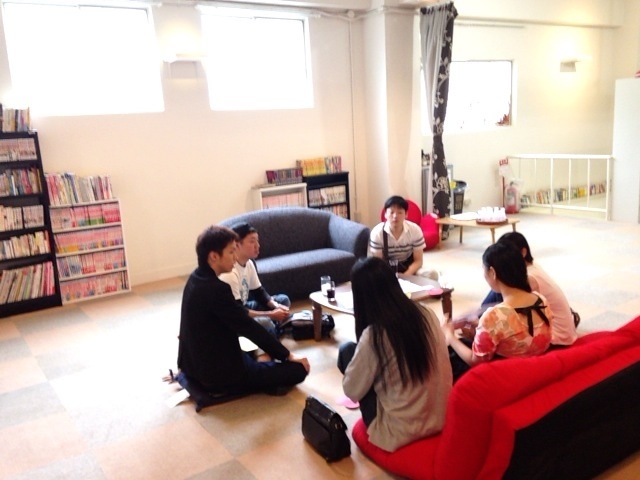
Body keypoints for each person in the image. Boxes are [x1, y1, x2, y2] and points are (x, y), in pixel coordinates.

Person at [177, 225, 309, 400]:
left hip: (193, 367)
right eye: (231, 252)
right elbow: (247, 326)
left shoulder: (195, 278)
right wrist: (288, 354)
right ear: (214, 256)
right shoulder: (216, 289)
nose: (235, 256)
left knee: (260, 351)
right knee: (298, 370)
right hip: (219, 375)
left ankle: (261, 365)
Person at [337, 256, 452, 452]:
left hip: (400, 431)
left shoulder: (375, 336)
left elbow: (351, 391)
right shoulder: (426, 314)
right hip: (442, 417)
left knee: (347, 351)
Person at [444, 242, 553, 381]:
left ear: (492, 272)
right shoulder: (541, 300)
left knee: (449, 355)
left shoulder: (494, 316)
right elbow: (517, 334)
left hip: (507, 376)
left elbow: (476, 362)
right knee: (463, 343)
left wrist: (450, 336)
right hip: (535, 368)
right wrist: (480, 329)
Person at [478, 232, 578, 346]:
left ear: (523, 252)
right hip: (561, 332)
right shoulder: (533, 268)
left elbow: (507, 314)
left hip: (557, 337)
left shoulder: (530, 277)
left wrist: (482, 322)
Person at [219, 222, 290, 337]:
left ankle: (273, 330)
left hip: (244, 306)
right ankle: (273, 331)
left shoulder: (249, 263)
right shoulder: (230, 272)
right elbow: (238, 312)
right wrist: (271, 314)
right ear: (237, 245)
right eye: (252, 241)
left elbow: (259, 293)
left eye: (257, 241)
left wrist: (275, 305)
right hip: (233, 318)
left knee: (283, 300)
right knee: (266, 323)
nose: (257, 245)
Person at [369, 195, 436, 279]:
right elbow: (378, 263)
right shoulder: (377, 233)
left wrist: (405, 275)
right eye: (391, 212)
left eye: (400, 212)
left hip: (409, 267)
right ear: (385, 214)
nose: (395, 216)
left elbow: (418, 261)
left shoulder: (415, 230)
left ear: (406, 214)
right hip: (386, 269)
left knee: (431, 274)